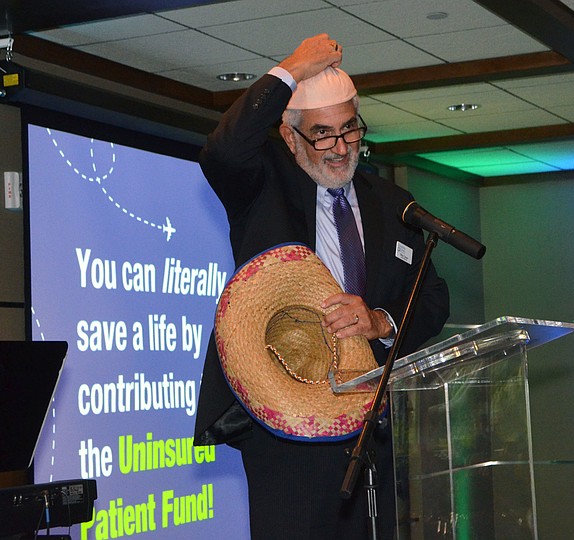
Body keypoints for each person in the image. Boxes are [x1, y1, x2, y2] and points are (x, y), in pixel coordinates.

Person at [193, 33, 450, 540]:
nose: (339, 148)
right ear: (290, 138)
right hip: (287, 434)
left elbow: (433, 297)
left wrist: (381, 322)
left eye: (349, 129)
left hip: (374, 426)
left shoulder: (391, 200)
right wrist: (291, 67)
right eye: (322, 134)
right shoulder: (262, 186)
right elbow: (223, 150)